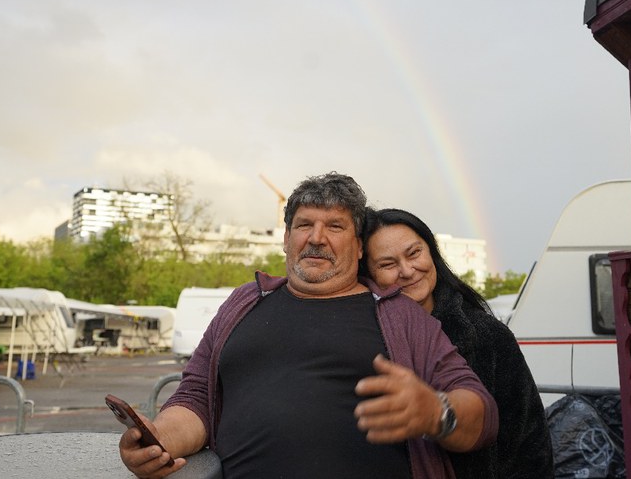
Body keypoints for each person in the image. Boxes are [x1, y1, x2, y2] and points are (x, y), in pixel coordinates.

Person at [118, 173, 498, 479]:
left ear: (360, 246)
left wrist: (435, 411)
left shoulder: (401, 315)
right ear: (286, 239)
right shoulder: (243, 302)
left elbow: (482, 414)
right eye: (304, 225)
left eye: (335, 226)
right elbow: (197, 394)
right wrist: (159, 440)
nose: (316, 238)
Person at [362, 207, 554, 479]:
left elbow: (530, 443)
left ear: (432, 253)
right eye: (387, 264)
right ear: (369, 275)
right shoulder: (366, 340)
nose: (407, 270)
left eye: (414, 253)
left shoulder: (488, 336)